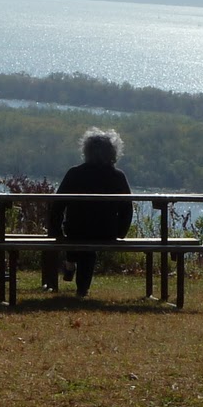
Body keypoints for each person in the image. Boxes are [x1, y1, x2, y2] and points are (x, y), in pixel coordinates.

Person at [48, 127, 132, 297]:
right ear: (113, 152)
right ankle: (81, 287)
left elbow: (58, 205)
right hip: (106, 231)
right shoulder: (117, 176)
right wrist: (120, 233)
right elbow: (127, 208)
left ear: (86, 150)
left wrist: (56, 232)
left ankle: (71, 265)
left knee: (77, 236)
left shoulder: (75, 173)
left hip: (76, 230)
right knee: (88, 248)